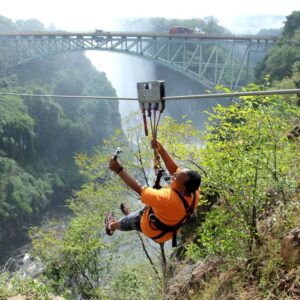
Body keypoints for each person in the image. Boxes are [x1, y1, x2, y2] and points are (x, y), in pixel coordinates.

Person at [107, 139, 201, 246]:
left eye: (175, 177)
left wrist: (118, 169)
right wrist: (160, 148)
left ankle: (110, 226)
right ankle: (131, 215)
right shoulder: (194, 190)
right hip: (169, 225)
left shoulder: (167, 199)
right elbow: (175, 169)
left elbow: (139, 189)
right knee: (150, 206)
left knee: (131, 221)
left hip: (153, 229)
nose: (173, 175)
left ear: (182, 189)